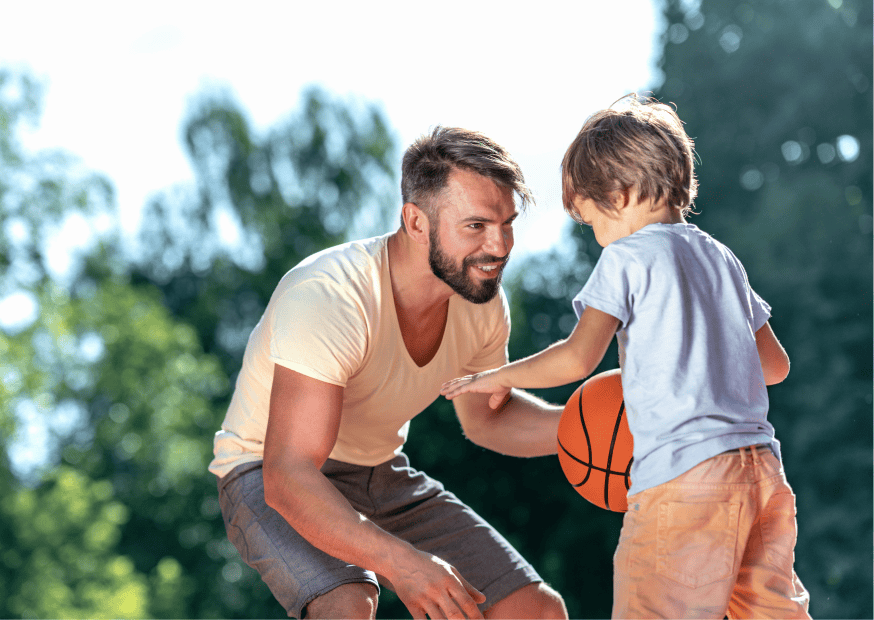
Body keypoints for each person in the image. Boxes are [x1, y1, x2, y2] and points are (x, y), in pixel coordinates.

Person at [441, 96, 812, 619]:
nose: (597, 238)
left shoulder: (626, 258)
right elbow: (775, 366)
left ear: (621, 193)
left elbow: (577, 359)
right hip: (762, 474)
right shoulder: (720, 256)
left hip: (683, 481)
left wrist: (496, 376)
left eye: (593, 222)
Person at [209, 126, 569, 620]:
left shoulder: (480, 301)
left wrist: (593, 427)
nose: (500, 245)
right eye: (476, 226)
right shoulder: (331, 295)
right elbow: (287, 475)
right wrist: (405, 564)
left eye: (507, 223)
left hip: (379, 473)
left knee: (534, 611)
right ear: (416, 222)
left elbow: (488, 419)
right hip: (266, 469)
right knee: (349, 603)